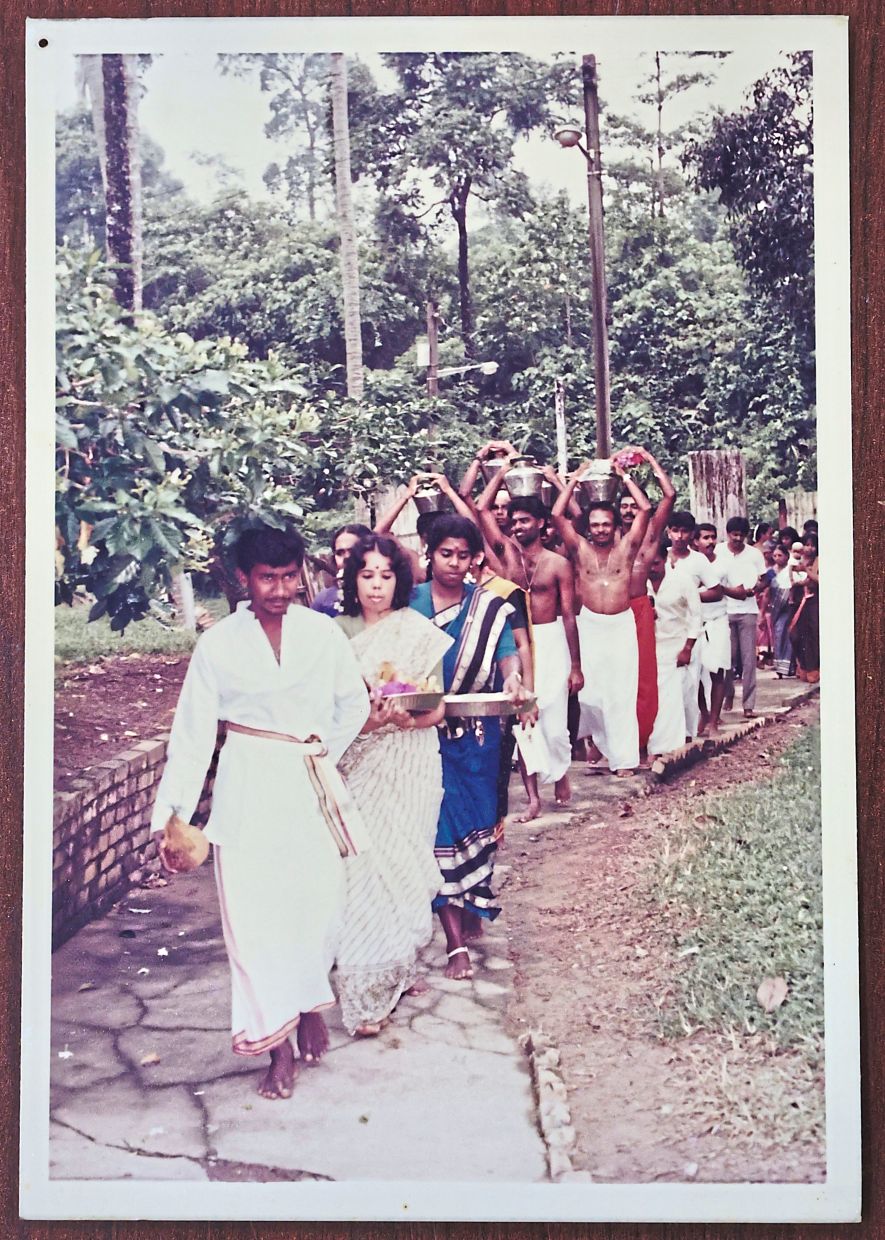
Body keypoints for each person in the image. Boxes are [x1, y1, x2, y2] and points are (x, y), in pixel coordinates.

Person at [151, 522, 369, 1100]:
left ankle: (308, 1001)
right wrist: (170, 817)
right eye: (267, 577)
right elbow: (193, 737)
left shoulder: (322, 635)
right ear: (241, 578)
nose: (279, 588)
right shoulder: (218, 646)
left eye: (289, 575)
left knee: (314, 912)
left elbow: (355, 704)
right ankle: (276, 1047)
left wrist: (322, 753)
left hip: (309, 788)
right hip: (247, 792)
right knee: (254, 924)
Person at [334, 535, 451, 1036]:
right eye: (367, 575)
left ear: (399, 580)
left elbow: (438, 707)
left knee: (402, 867)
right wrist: (368, 722)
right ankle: (364, 998)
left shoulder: (417, 631)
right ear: (352, 579)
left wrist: (407, 722)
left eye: (385, 575)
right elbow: (329, 709)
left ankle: (396, 967)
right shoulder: (334, 633)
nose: (376, 586)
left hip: (409, 763)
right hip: (356, 761)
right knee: (361, 870)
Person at [410, 516, 528, 980]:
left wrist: (515, 677)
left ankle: (473, 899)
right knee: (439, 831)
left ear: (474, 557)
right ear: (429, 552)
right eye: (446, 554)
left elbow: (506, 653)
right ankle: (453, 941)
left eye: (463, 555)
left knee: (479, 826)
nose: (455, 563)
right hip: (422, 737)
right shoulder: (410, 604)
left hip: (478, 740)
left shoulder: (490, 608)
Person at [474, 484, 583, 819]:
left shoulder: (558, 564)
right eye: (514, 521)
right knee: (524, 720)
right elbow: (480, 510)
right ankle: (533, 798)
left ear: (541, 523)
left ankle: (561, 773)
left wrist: (576, 665)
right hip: (516, 640)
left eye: (524, 521)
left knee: (554, 721)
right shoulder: (506, 554)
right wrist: (503, 470)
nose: (517, 526)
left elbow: (568, 615)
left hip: (551, 641)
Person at [551, 456, 652, 776]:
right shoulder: (580, 549)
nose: (600, 529)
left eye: (606, 524)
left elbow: (646, 510)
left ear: (615, 526)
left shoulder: (627, 550)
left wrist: (623, 477)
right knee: (591, 695)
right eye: (595, 525)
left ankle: (624, 760)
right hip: (590, 625)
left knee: (622, 694)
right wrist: (576, 479)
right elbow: (556, 514)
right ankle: (601, 743)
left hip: (621, 625)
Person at [616, 449, 676, 761]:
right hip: (610, 612)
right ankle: (610, 744)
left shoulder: (650, 537)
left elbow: (669, 495)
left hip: (638, 609)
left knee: (644, 679)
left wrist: (649, 459)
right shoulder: (607, 538)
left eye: (632, 506)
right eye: (623, 506)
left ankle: (640, 740)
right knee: (612, 678)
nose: (628, 511)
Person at [665, 510, 724, 741]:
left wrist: (690, 598)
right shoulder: (661, 555)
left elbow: (716, 591)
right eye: (675, 530)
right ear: (668, 531)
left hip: (690, 630)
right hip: (663, 629)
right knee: (666, 684)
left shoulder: (698, 560)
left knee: (689, 684)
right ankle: (667, 735)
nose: (679, 536)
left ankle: (687, 735)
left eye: (684, 531)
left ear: (691, 534)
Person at [646, 542, 701, 756]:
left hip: (680, 645)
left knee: (683, 696)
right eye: (648, 564)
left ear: (666, 559)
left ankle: (683, 742)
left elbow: (696, 615)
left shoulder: (681, 580)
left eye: (656, 563)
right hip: (652, 647)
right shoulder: (640, 582)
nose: (652, 568)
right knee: (661, 699)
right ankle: (661, 747)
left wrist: (688, 647)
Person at [717, 516, 768, 718]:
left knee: (748, 660)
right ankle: (727, 694)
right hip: (725, 609)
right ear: (728, 534)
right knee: (727, 658)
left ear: (746, 535)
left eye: (741, 535)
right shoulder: (719, 551)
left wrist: (754, 589)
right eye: (734, 534)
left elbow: (764, 580)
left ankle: (748, 705)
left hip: (747, 610)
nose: (737, 538)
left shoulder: (754, 554)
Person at [693, 522, 731, 734]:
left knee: (718, 672)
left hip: (718, 620)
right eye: (705, 537)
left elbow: (727, 591)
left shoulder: (723, 565)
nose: (710, 542)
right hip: (695, 623)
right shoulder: (689, 563)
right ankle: (704, 714)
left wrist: (694, 594)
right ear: (696, 541)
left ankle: (714, 721)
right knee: (695, 673)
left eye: (712, 537)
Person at [310, 523, 372, 617]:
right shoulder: (324, 601)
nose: (346, 558)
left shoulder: (384, 593)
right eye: (340, 553)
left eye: (353, 551)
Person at [790, 545, 820, 683]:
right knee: (795, 634)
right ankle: (803, 665)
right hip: (798, 601)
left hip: (813, 601)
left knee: (813, 634)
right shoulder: (797, 560)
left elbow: (818, 580)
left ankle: (812, 668)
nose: (809, 548)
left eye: (811, 545)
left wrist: (806, 571)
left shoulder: (819, 561)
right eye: (806, 545)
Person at [768, 545, 796, 678]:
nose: (777, 558)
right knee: (779, 634)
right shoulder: (771, 572)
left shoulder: (791, 570)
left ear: (787, 556)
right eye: (775, 556)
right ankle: (780, 669)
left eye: (780, 555)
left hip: (789, 608)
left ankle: (789, 668)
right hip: (776, 609)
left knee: (788, 635)